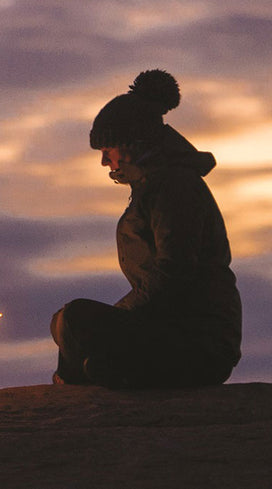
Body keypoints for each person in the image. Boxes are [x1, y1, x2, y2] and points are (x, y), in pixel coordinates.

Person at [51, 70, 241, 389]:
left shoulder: (175, 189)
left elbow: (174, 274)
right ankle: (91, 377)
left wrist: (120, 315)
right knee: (66, 323)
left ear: (132, 143)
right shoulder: (153, 188)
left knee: (75, 319)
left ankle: (74, 389)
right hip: (172, 335)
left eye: (107, 150)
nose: (104, 162)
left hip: (199, 345)